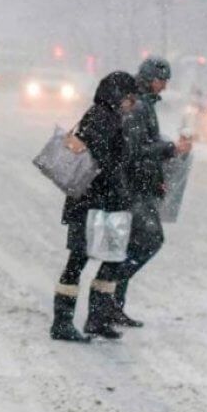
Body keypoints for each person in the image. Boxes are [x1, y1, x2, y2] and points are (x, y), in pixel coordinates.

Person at [51, 71, 139, 342]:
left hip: (100, 203)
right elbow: (103, 163)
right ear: (118, 96)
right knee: (78, 261)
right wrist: (121, 191)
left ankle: (96, 319)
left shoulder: (108, 116)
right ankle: (63, 323)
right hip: (92, 204)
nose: (132, 103)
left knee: (111, 258)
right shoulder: (101, 117)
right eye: (129, 97)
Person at [113, 57, 192, 327]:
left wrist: (168, 148)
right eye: (161, 80)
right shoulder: (137, 106)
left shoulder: (142, 103)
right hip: (134, 187)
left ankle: (112, 302)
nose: (164, 87)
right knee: (150, 240)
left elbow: (145, 142)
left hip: (140, 184)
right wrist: (170, 150)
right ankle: (109, 289)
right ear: (149, 78)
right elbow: (136, 149)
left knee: (132, 244)